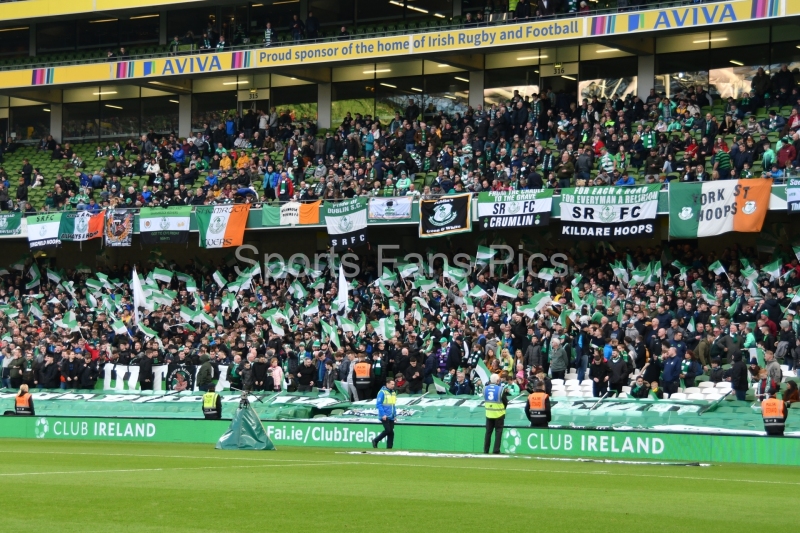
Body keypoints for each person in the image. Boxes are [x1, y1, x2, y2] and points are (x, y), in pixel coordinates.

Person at [483, 373, 509, 454]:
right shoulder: (501, 389)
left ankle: (486, 450)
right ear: (498, 381)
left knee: (488, 432)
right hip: (499, 414)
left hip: (488, 413)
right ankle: (496, 450)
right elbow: (505, 401)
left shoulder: (485, 388)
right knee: (498, 432)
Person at [372, 378, 396, 449]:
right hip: (385, 415)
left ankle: (389, 448)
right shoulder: (382, 392)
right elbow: (379, 404)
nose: (393, 386)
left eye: (393, 384)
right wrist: (383, 414)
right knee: (388, 430)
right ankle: (376, 440)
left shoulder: (393, 392)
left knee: (391, 432)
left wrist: (394, 415)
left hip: (391, 415)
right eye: (392, 384)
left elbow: (393, 405)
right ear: (387, 384)